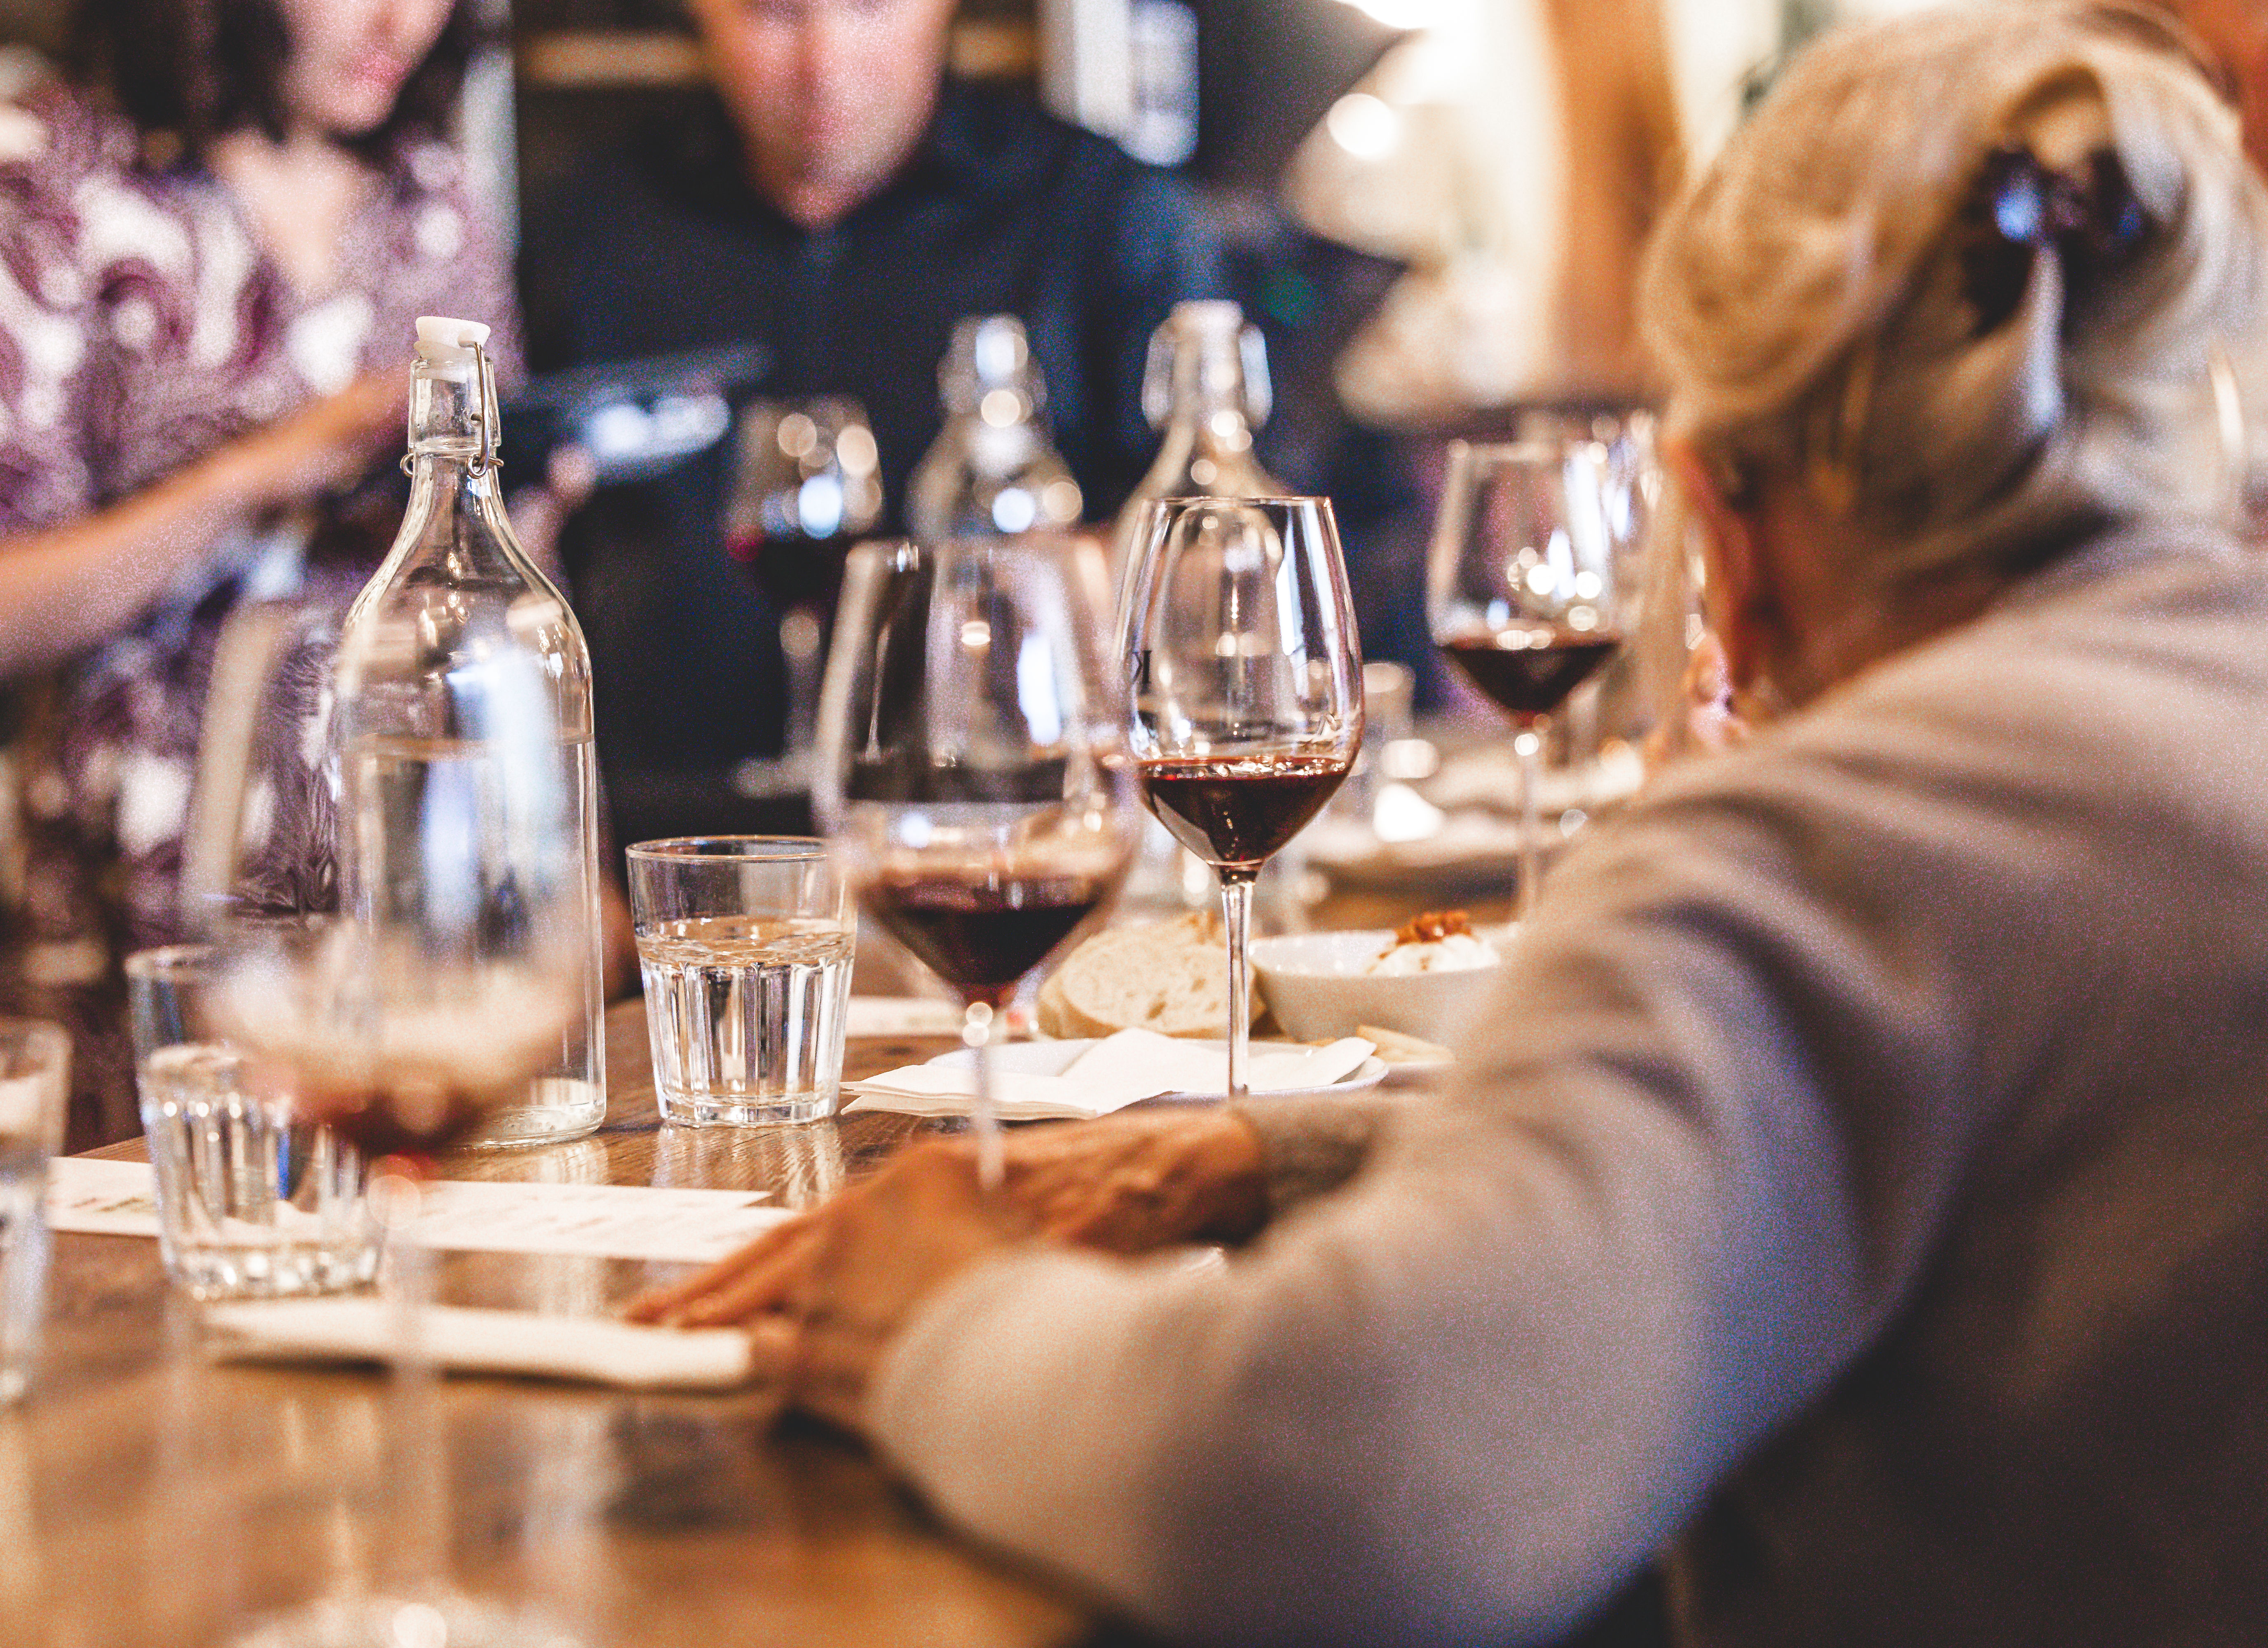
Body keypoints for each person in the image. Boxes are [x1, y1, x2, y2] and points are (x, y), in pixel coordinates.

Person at [633, 6, 2268, 1642]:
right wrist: (1292, 1149)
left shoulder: (1821, 856)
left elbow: (1345, 1489)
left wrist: (947, 1321)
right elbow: (1891, 1135)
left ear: (1715, 522)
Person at [0, 0, 515, 1148]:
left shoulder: (432, 191)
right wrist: (258, 475)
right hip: (145, 982)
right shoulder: (50, 175)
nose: (400, 22)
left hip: (419, 969)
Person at [522, 0, 1225, 806]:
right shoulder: (589, 226)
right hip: (664, 854)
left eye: (871, 5)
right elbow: (528, 554)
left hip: (1004, 837)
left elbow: (1217, 544)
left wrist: (1066, 577)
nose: (825, 64)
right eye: (773, 13)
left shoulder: (1104, 212)